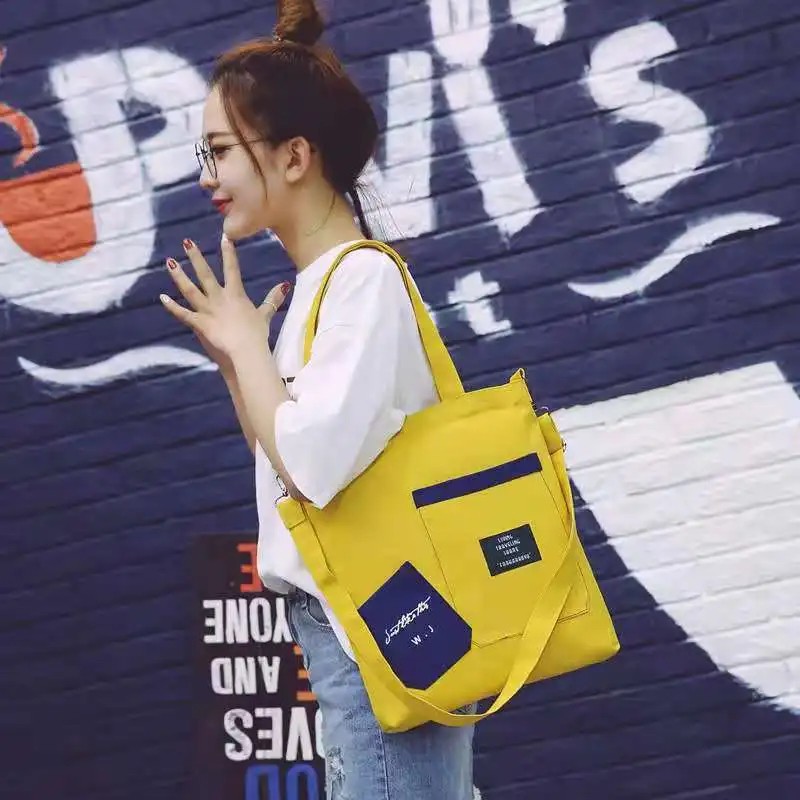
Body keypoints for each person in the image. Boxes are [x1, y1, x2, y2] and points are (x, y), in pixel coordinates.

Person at [159, 0, 476, 797]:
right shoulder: (320, 289)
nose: (207, 177)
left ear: (295, 155)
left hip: (381, 634)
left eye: (221, 151)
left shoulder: (360, 280)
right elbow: (286, 465)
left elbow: (312, 464)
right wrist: (240, 365)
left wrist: (247, 348)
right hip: (356, 633)